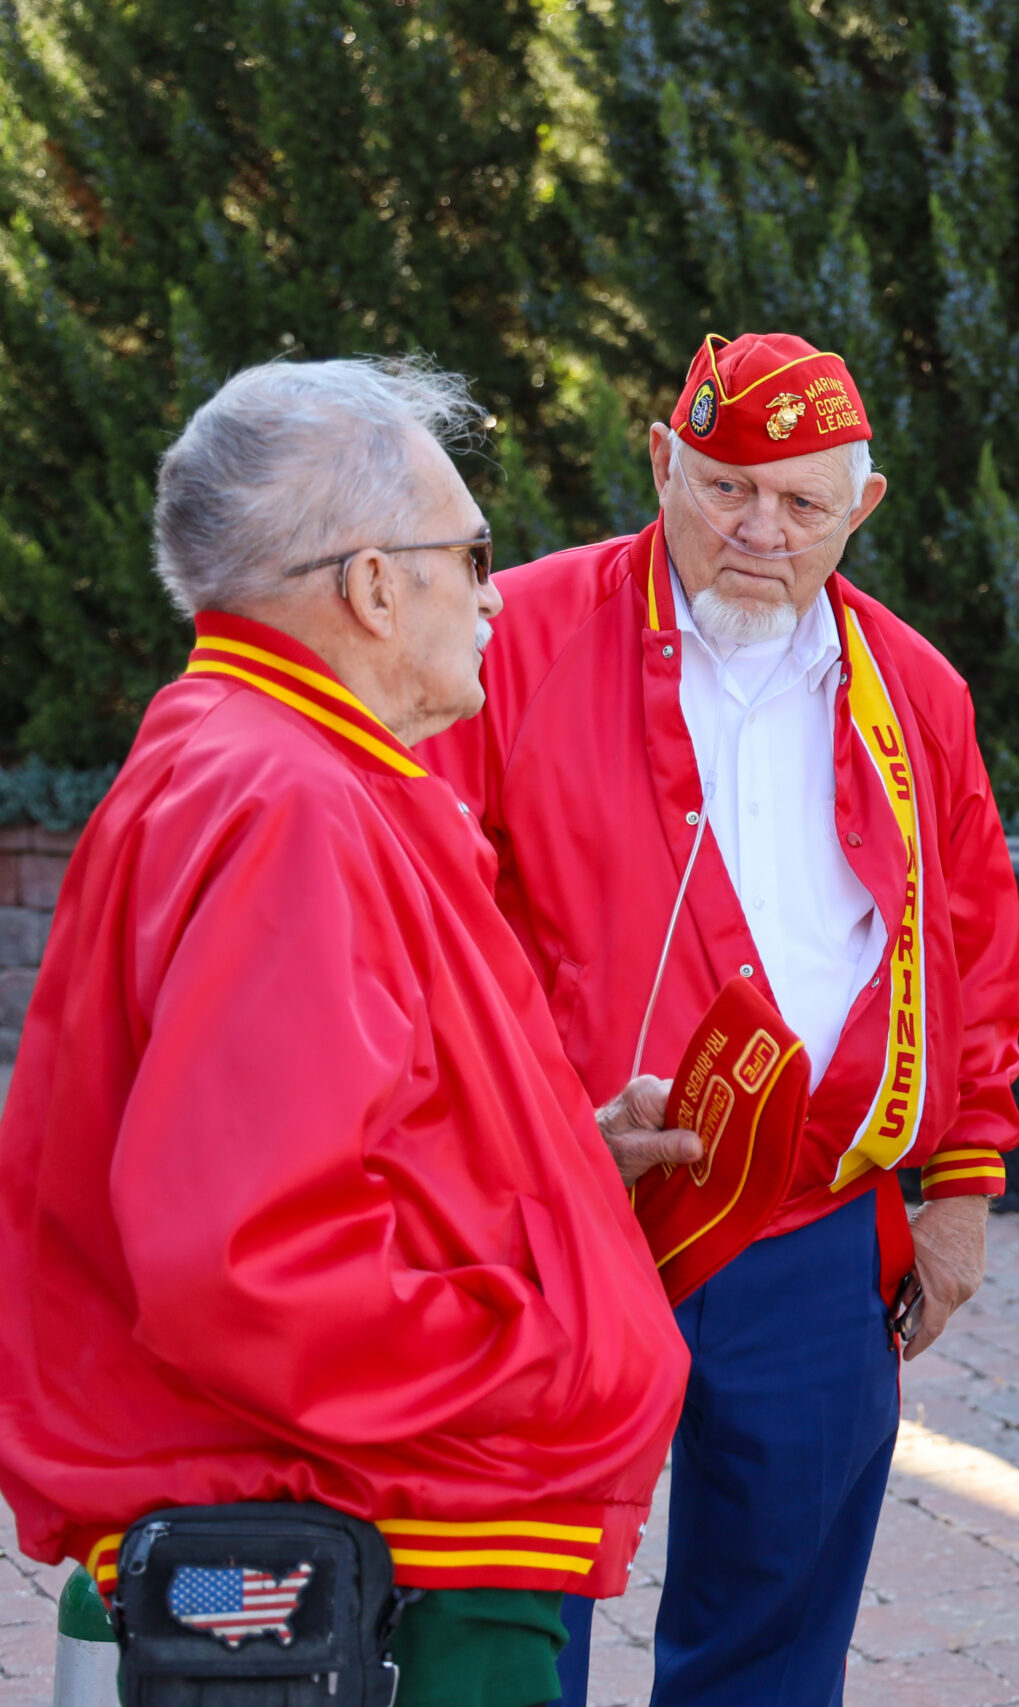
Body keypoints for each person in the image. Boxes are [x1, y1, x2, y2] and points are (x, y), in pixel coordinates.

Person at [0, 358, 692, 1706]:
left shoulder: (260, 757)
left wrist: (555, 1173)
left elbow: (340, 1131)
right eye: (472, 551)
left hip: (384, 1510)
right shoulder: (288, 802)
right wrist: (551, 1342)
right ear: (375, 586)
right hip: (393, 1541)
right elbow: (254, 1253)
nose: (496, 593)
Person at [416, 331, 1019, 1705]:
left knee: (778, 1613)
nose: (761, 529)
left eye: (804, 502)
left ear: (861, 508)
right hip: (555, 1203)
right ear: (660, 461)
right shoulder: (507, 637)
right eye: (724, 486)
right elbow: (419, 913)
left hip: (813, 1215)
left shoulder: (916, 689)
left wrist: (966, 1184)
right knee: (509, 1596)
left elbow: (973, 942)